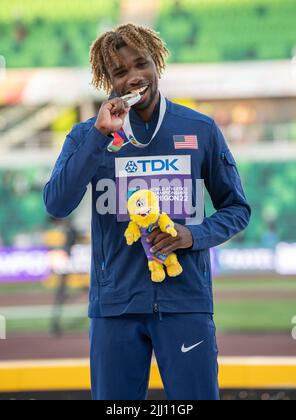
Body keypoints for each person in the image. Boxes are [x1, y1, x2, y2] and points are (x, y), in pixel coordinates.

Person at [43, 23, 251, 400]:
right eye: (120, 72)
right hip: (114, 308)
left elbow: (237, 208)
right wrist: (98, 137)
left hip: (185, 302)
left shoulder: (199, 129)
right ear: (107, 80)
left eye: (141, 64)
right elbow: (56, 204)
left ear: (157, 62)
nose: (134, 77)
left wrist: (193, 236)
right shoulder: (87, 135)